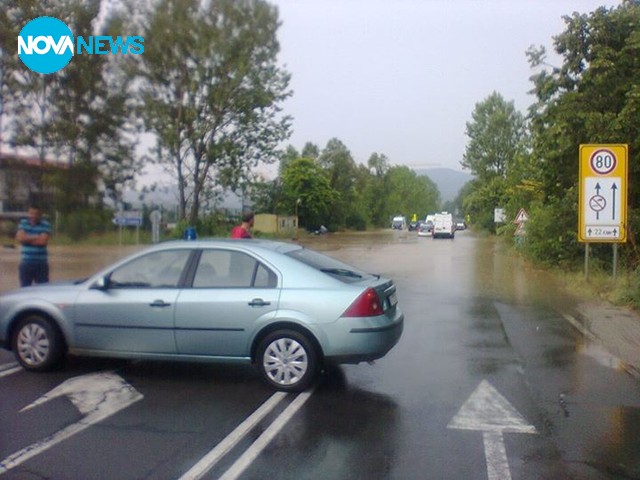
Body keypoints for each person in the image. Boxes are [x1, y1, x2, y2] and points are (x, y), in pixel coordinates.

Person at [15, 206, 51, 287]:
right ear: (28, 214)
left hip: (41, 264)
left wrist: (26, 238)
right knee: (24, 289)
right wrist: (37, 236)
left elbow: (43, 241)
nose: (34, 216)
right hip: (26, 263)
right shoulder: (23, 223)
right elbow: (20, 238)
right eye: (31, 213)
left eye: (36, 214)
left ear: (40, 215)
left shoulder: (45, 224)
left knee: (43, 289)